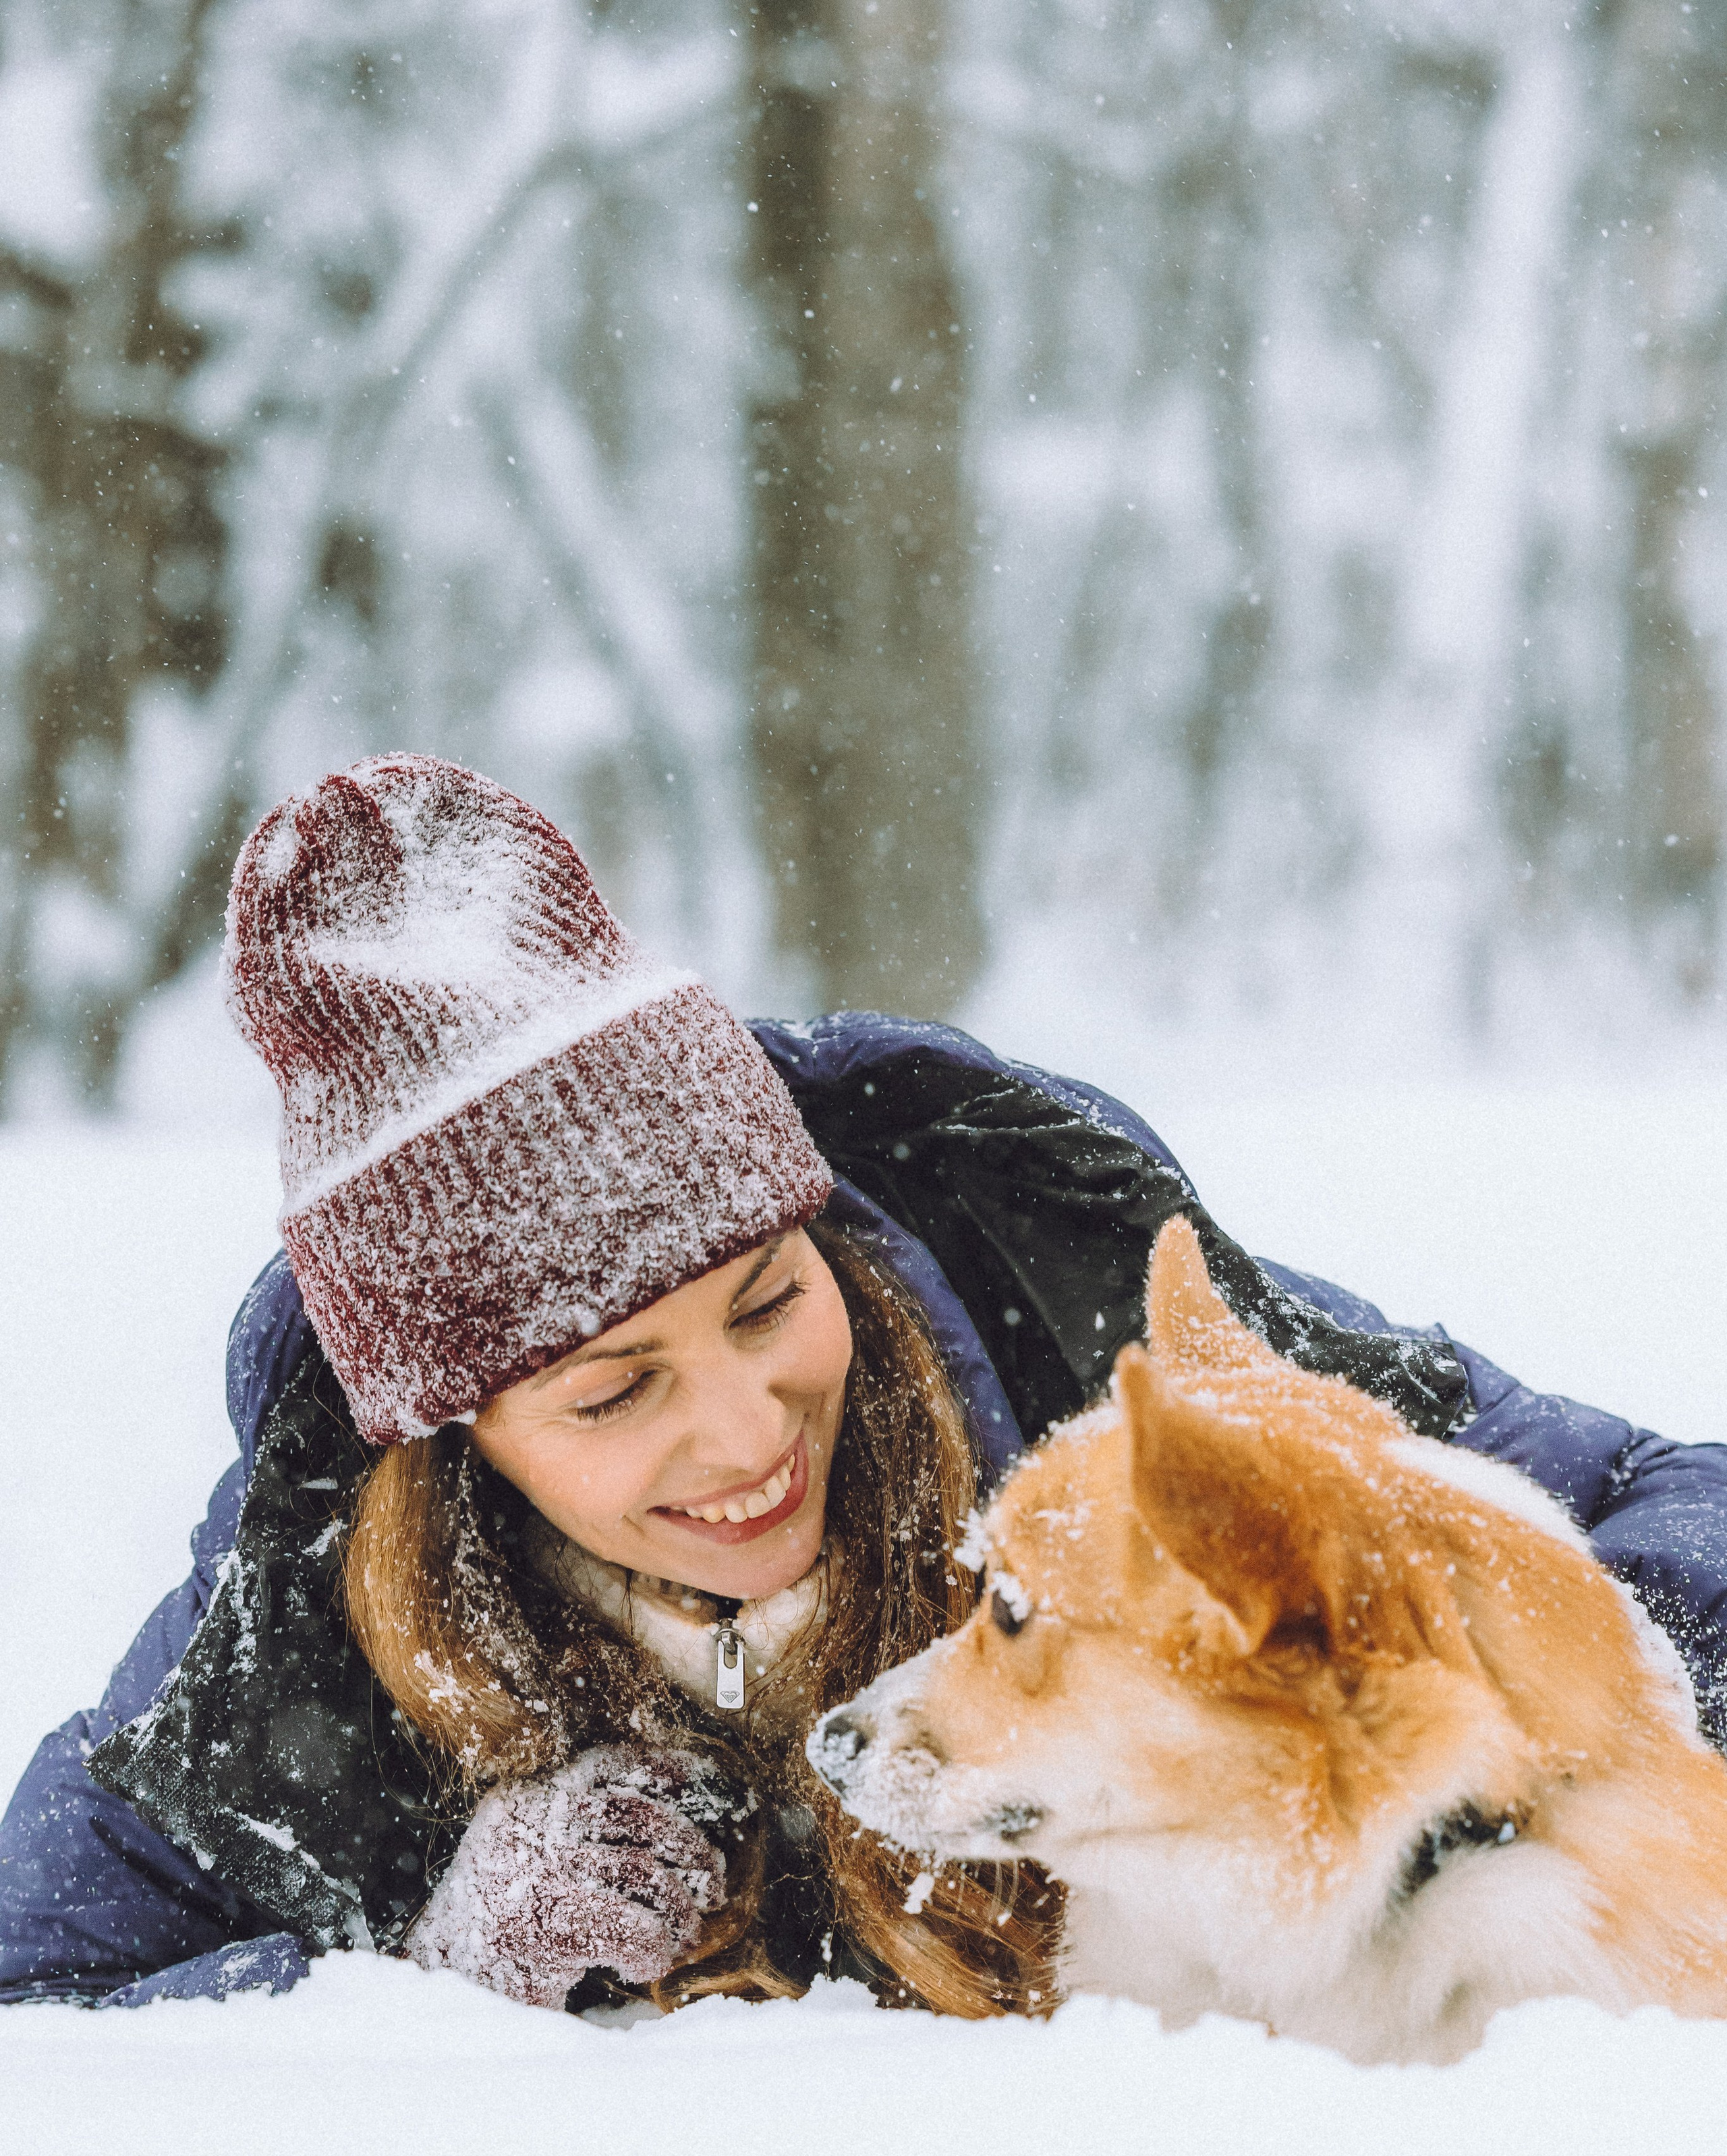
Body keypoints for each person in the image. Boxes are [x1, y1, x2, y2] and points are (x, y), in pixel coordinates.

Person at [4, 753, 1726, 2017]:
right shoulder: (300, 1626)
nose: (748, 1435)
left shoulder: (1052, 1295)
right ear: (458, 1437)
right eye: (613, 1396)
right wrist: (413, 1957)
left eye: (767, 1302)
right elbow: (34, 1986)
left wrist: (1566, 1671)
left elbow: (1656, 1493)